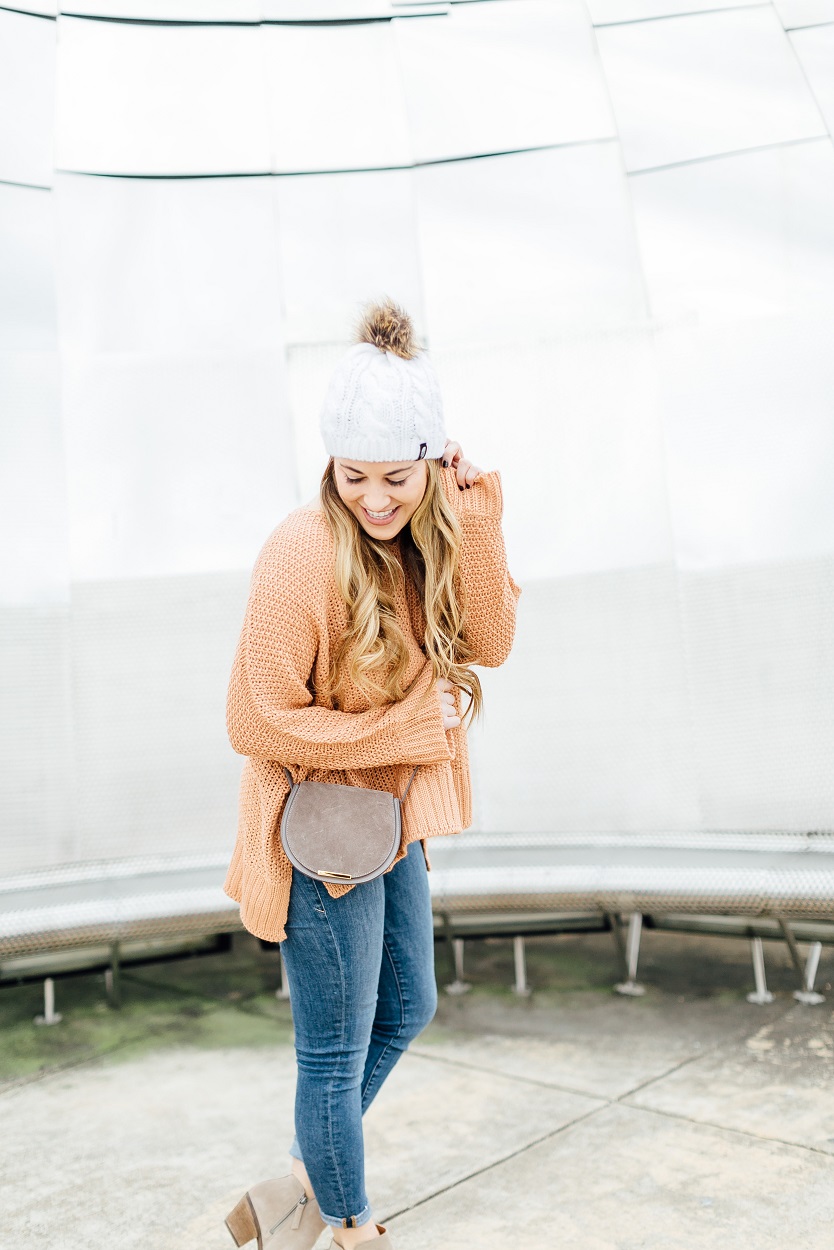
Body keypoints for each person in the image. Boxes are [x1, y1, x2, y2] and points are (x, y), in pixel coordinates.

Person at [222, 298, 521, 1249]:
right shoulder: (301, 552)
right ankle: (345, 1225)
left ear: (433, 462)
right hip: (323, 836)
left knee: (411, 1007)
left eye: (399, 477)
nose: (376, 499)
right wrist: (403, 729)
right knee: (333, 1050)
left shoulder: (429, 534)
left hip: (390, 824)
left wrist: (474, 518)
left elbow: (494, 642)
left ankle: (301, 1188)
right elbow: (255, 716)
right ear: (330, 467)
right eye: (355, 477)